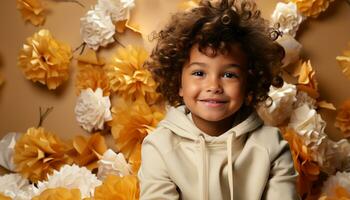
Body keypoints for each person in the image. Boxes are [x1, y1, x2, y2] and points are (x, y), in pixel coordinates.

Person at [138, 0, 298, 199]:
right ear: (179, 83)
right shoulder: (159, 145)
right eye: (198, 73)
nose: (213, 86)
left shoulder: (271, 145)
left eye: (229, 75)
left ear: (248, 83)